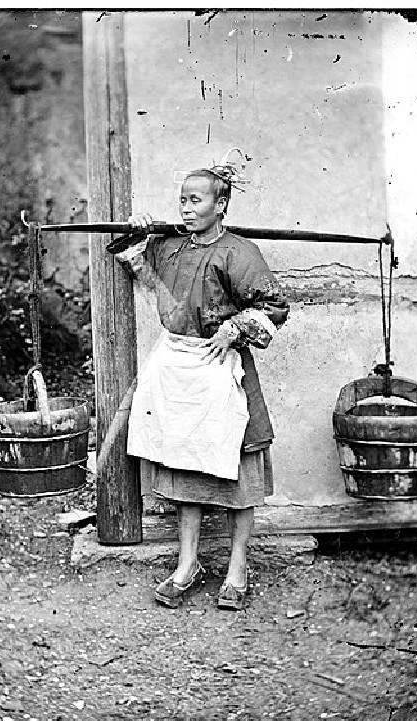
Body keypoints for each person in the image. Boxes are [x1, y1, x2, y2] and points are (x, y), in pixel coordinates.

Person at [114, 165, 289, 611]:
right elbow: (133, 259)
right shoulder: (170, 247)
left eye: (196, 200)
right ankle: (187, 564)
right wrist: (139, 231)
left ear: (221, 206)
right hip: (177, 366)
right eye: (183, 200)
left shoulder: (238, 253)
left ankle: (237, 567)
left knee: (239, 473)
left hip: (221, 366)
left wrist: (235, 326)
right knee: (185, 468)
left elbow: (275, 305)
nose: (186, 208)